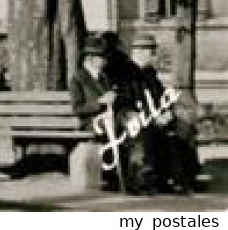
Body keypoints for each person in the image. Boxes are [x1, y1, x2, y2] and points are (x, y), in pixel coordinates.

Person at [129, 34, 199, 194]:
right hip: (138, 119)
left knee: (184, 127)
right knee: (154, 133)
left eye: (153, 51)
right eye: (151, 52)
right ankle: (159, 178)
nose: (154, 55)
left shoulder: (150, 74)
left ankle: (184, 177)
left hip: (155, 117)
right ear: (138, 52)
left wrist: (167, 112)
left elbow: (161, 98)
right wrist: (154, 116)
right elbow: (130, 101)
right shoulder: (128, 74)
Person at [69, 35, 125, 191]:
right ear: (90, 59)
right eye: (101, 57)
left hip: (108, 118)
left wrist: (114, 97)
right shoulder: (78, 79)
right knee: (116, 128)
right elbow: (77, 108)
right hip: (90, 121)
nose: (104, 61)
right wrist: (100, 102)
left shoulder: (104, 77)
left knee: (130, 125)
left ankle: (126, 173)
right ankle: (114, 175)